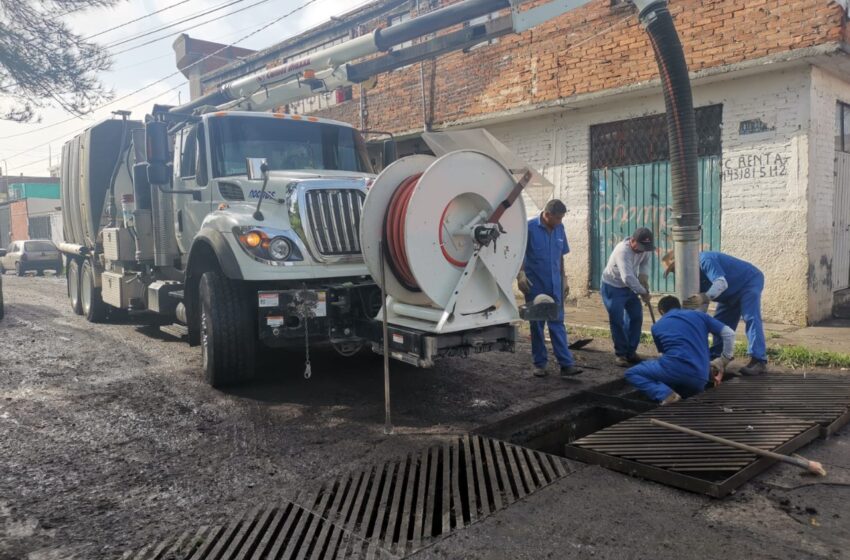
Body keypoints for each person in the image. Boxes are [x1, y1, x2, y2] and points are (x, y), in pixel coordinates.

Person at [662, 250, 767, 375]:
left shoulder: (705, 260)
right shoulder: (691, 278)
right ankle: (716, 357)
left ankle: (758, 360)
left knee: (751, 317)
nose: (675, 273)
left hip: (748, 281)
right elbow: (699, 311)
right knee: (718, 324)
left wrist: (704, 297)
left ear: (682, 263)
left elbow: (721, 284)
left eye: (674, 269)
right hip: (728, 293)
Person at [625, 295, 736, 405]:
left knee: (632, 373)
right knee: (688, 394)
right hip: (700, 377)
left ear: (661, 311)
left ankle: (666, 394)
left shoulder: (656, 326)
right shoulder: (700, 315)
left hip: (673, 371)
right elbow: (729, 333)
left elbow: (663, 354)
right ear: (679, 306)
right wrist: (724, 359)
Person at [517, 199, 583, 378]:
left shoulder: (560, 229)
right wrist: (520, 273)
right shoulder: (529, 228)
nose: (561, 221)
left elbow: (561, 256)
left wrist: (564, 278)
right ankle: (540, 364)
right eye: (558, 218)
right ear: (547, 215)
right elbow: (519, 253)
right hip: (536, 285)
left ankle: (566, 364)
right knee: (537, 325)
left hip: (555, 284)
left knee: (558, 323)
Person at [600, 227, 655, 367]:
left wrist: (644, 278)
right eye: (641, 246)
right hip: (613, 286)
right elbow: (627, 277)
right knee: (617, 321)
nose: (643, 250)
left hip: (630, 287)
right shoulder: (622, 251)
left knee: (636, 317)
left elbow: (645, 264)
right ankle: (621, 354)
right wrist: (643, 292)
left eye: (646, 247)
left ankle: (631, 352)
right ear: (632, 241)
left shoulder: (645, 249)